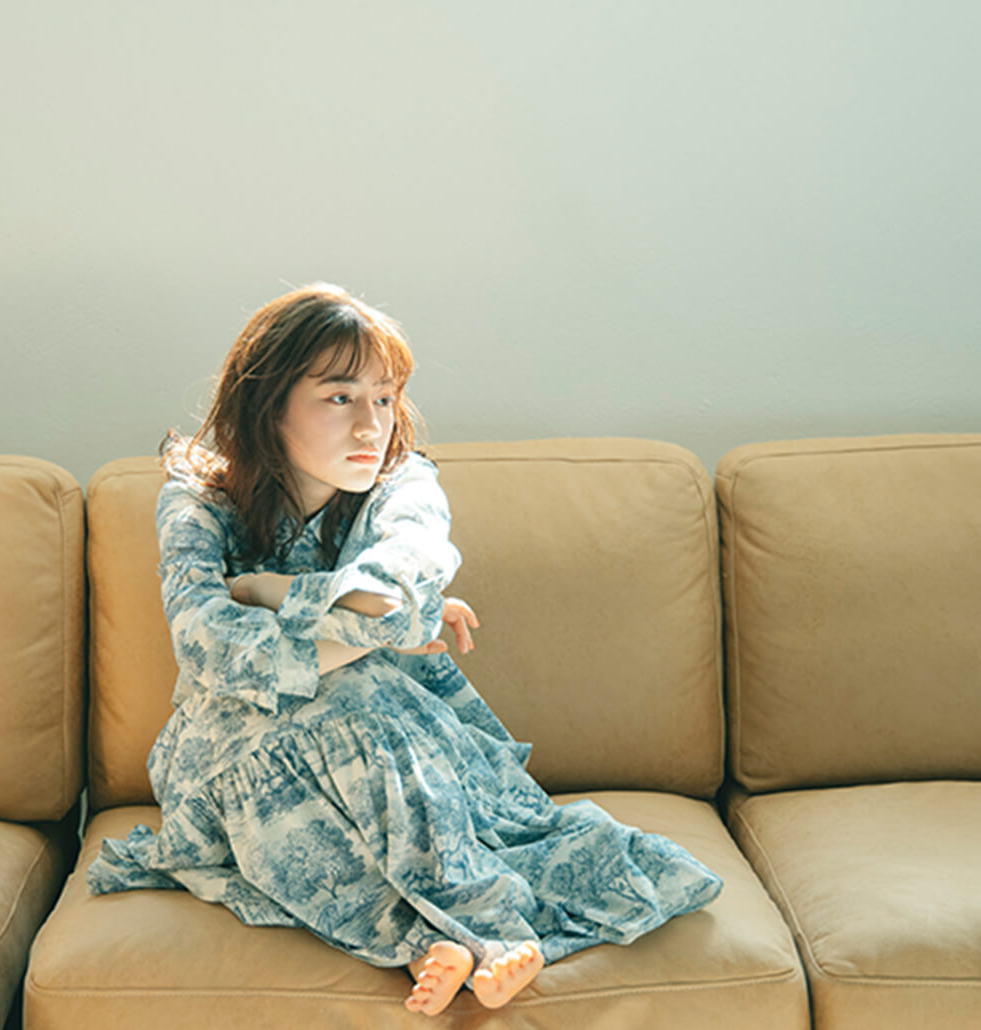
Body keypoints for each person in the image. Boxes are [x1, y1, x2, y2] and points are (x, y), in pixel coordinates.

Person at [88, 283, 723, 1015]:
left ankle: (443, 942)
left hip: (388, 744)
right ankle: (464, 934)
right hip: (231, 752)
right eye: (340, 398)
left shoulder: (404, 484)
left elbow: (394, 593)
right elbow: (211, 652)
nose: (372, 426)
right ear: (268, 405)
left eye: (385, 398)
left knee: (360, 702)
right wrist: (377, 627)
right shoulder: (200, 499)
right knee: (326, 721)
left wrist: (265, 590)